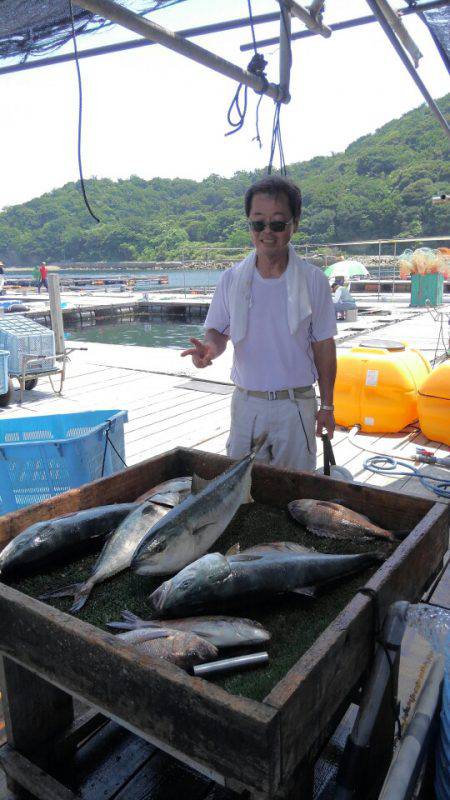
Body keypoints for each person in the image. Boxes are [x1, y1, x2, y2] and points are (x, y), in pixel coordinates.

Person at [181, 175, 337, 473]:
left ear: (294, 223)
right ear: (249, 224)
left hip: (296, 404)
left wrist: (327, 406)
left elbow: (324, 345)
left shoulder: (313, 280)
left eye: (278, 223)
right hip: (246, 402)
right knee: (239, 487)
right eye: (258, 223)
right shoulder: (231, 279)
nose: (267, 231)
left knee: (295, 486)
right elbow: (218, 331)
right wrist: (209, 350)